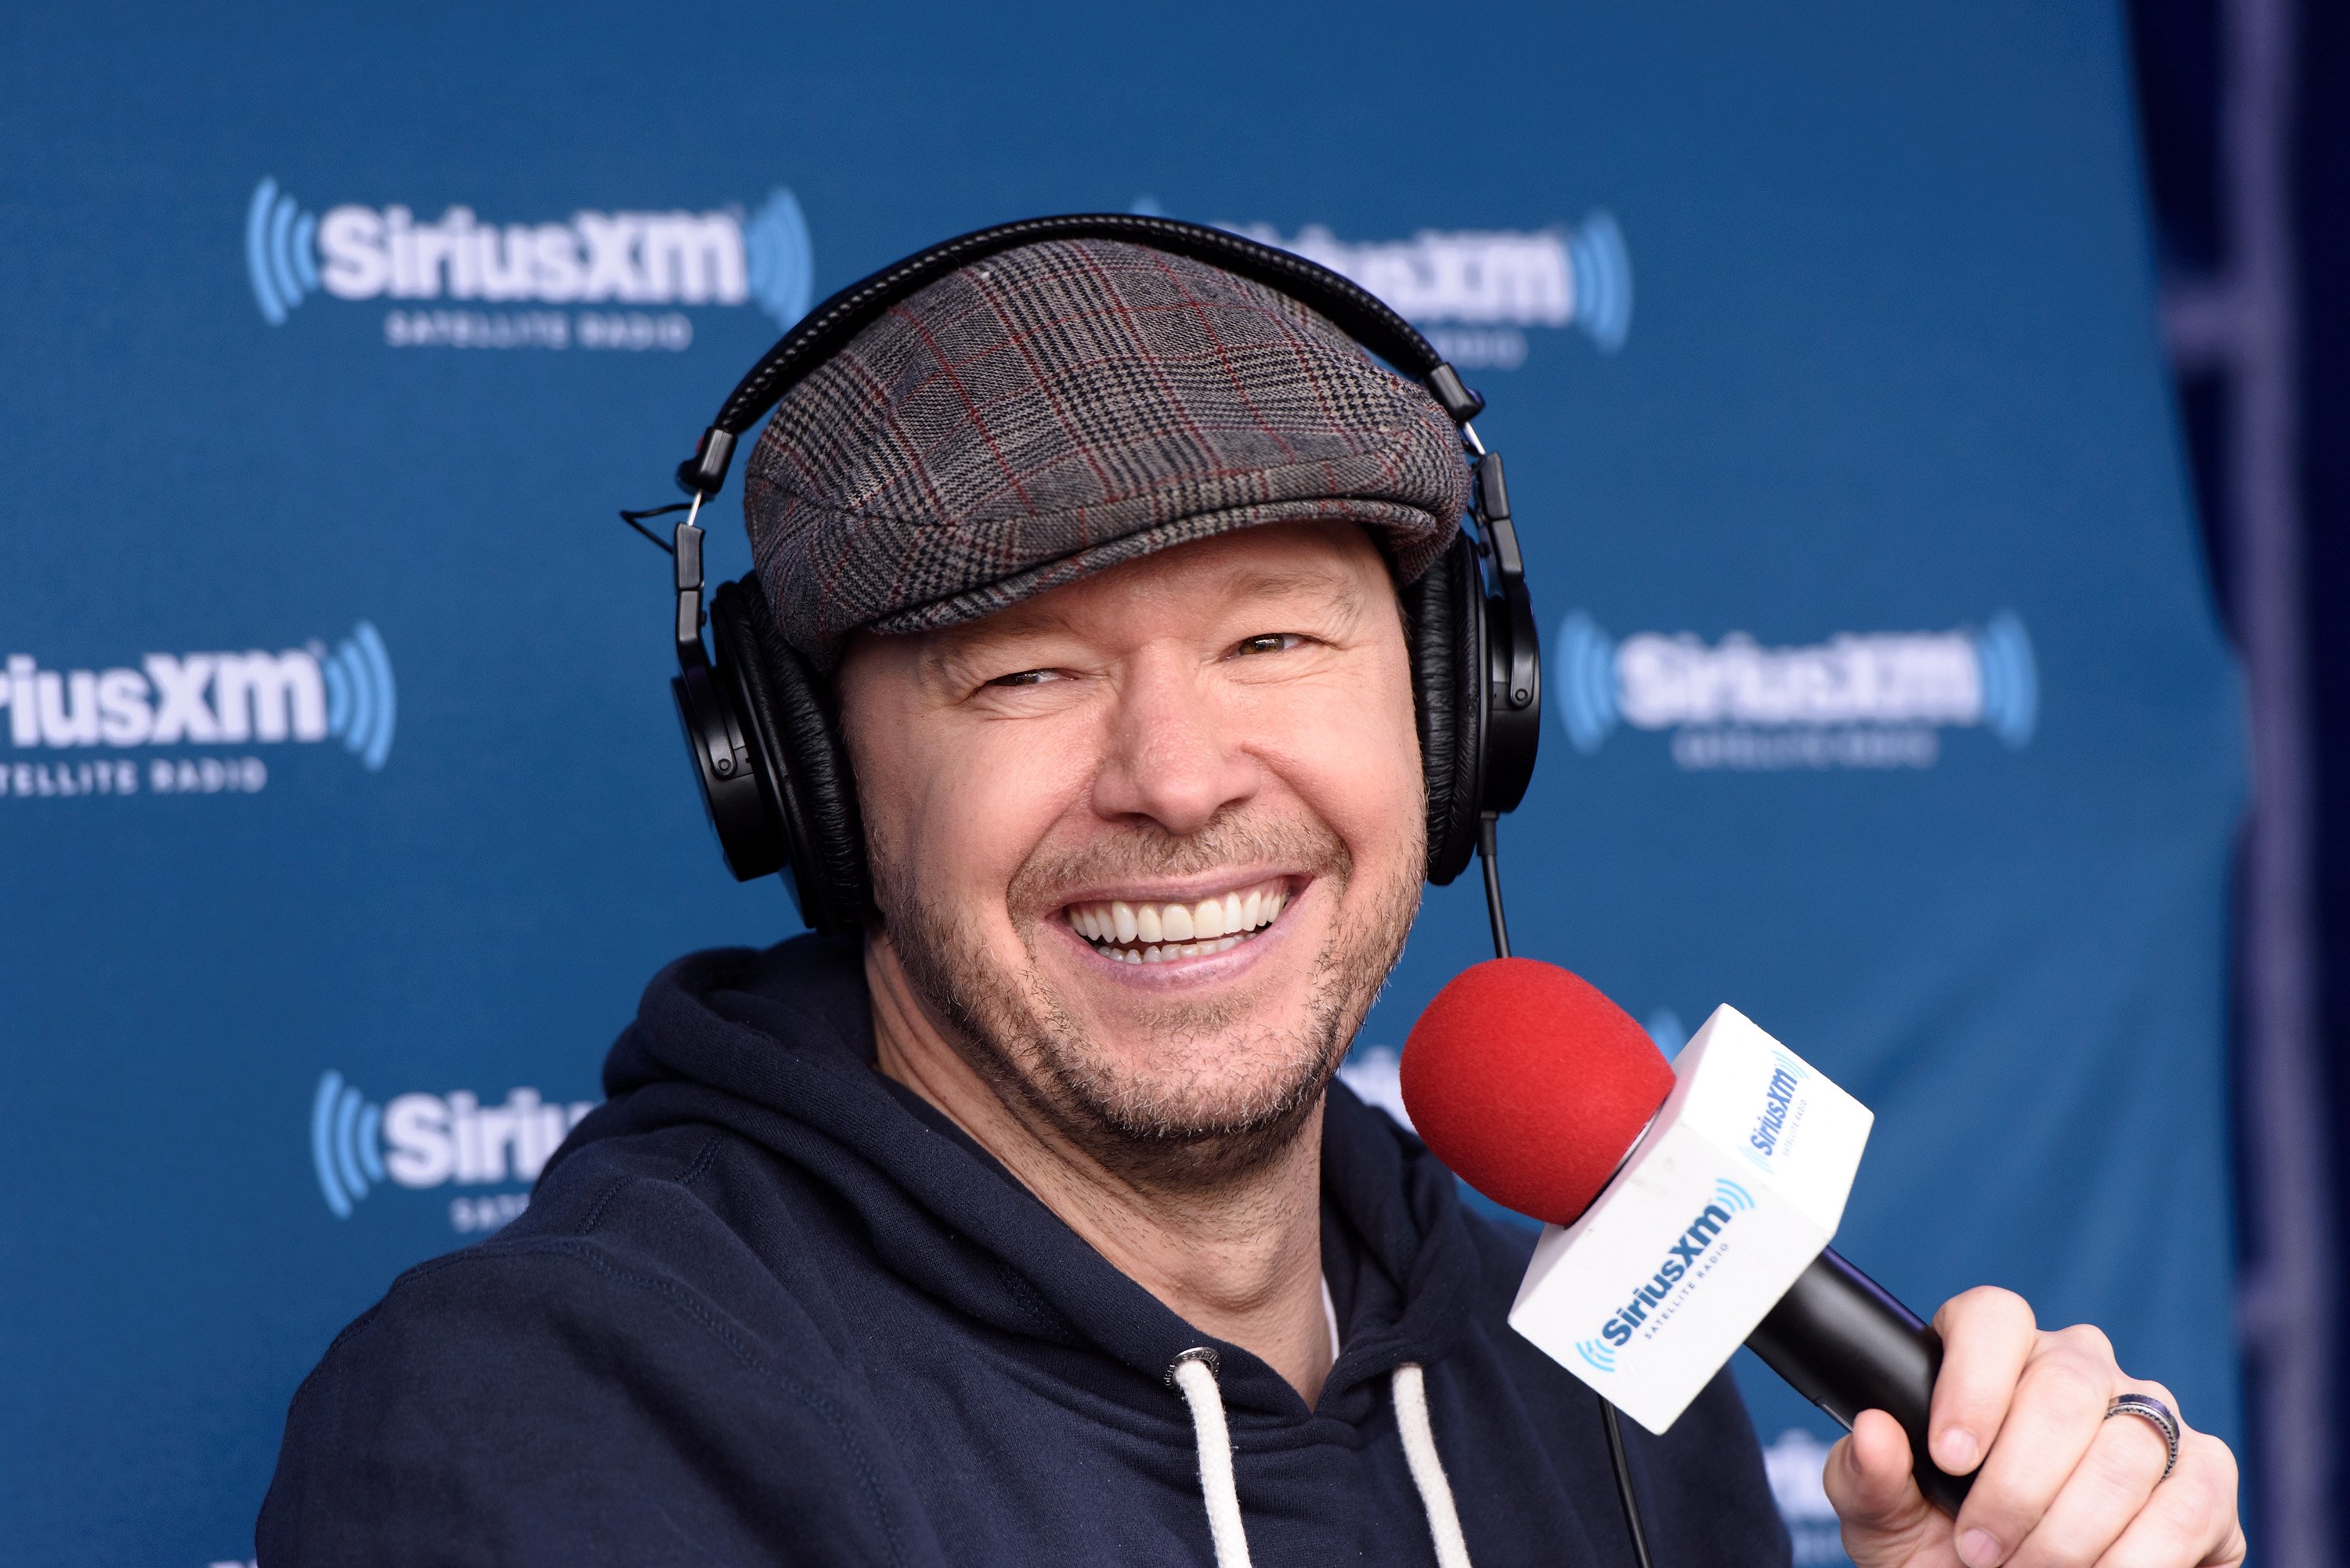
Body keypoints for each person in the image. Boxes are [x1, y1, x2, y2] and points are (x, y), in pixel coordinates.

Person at [259, 234, 2244, 1568]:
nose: (1181, 772)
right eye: (1022, 671)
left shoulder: (1604, 1391)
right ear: (814, 787)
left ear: (1460, 724)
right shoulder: (542, 1432)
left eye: (1280, 637)